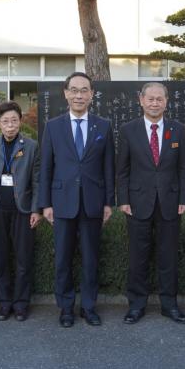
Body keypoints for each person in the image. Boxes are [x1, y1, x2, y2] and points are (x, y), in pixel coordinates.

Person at [39, 72, 115, 328]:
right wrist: (45, 204)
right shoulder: (53, 126)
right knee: (62, 258)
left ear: (92, 94)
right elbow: (46, 168)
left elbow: (108, 168)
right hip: (62, 202)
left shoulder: (103, 125)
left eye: (84, 90)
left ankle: (89, 307)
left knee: (91, 258)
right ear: (66, 93)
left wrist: (108, 202)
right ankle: (65, 308)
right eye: (74, 90)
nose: (79, 95)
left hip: (93, 202)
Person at [117, 82, 185, 325]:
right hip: (138, 203)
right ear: (141, 100)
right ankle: (136, 305)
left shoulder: (178, 129)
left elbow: (184, 168)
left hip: (170, 202)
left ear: (166, 102)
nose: (154, 103)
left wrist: (184, 199)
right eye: (150, 98)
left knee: (168, 257)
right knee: (138, 257)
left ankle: (169, 305)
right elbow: (123, 170)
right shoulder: (129, 130)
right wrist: (123, 200)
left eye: (160, 99)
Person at [0, 101, 41, 322]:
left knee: (23, 260)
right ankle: (4, 304)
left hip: (22, 210)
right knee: (1, 259)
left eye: (14, 120)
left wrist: (36, 210)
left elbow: (37, 181)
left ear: (20, 121)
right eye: (5, 121)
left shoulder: (31, 146)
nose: (10, 125)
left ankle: (21, 304)